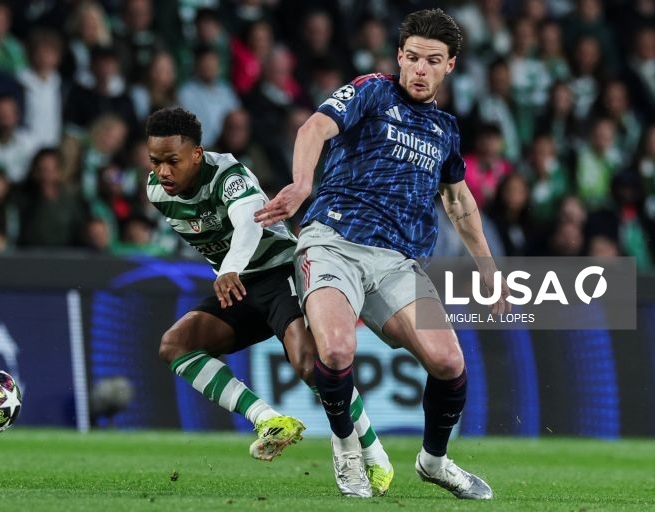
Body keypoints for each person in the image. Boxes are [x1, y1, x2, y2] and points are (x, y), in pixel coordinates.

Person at [255, 9, 509, 500]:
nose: (418, 69)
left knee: (448, 361)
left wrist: (491, 271)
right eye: (411, 57)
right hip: (333, 242)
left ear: (450, 65)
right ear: (399, 57)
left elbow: (459, 204)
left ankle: (434, 461)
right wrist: (302, 184)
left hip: (396, 262)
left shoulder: (445, 131)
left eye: (431, 60)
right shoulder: (372, 90)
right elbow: (314, 128)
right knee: (335, 350)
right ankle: (347, 449)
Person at [146, 108, 393, 494]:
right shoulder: (157, 192)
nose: (163, 172)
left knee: (310, 365)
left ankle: (374, 453)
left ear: (196, 154)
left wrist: (228, 268)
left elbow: (247, 223)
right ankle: (267, 420)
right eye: (155, 161)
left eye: (172, 161)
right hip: (238, 287)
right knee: (175, 345)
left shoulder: (229, 175)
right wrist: (230, 273)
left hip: (279, 274)